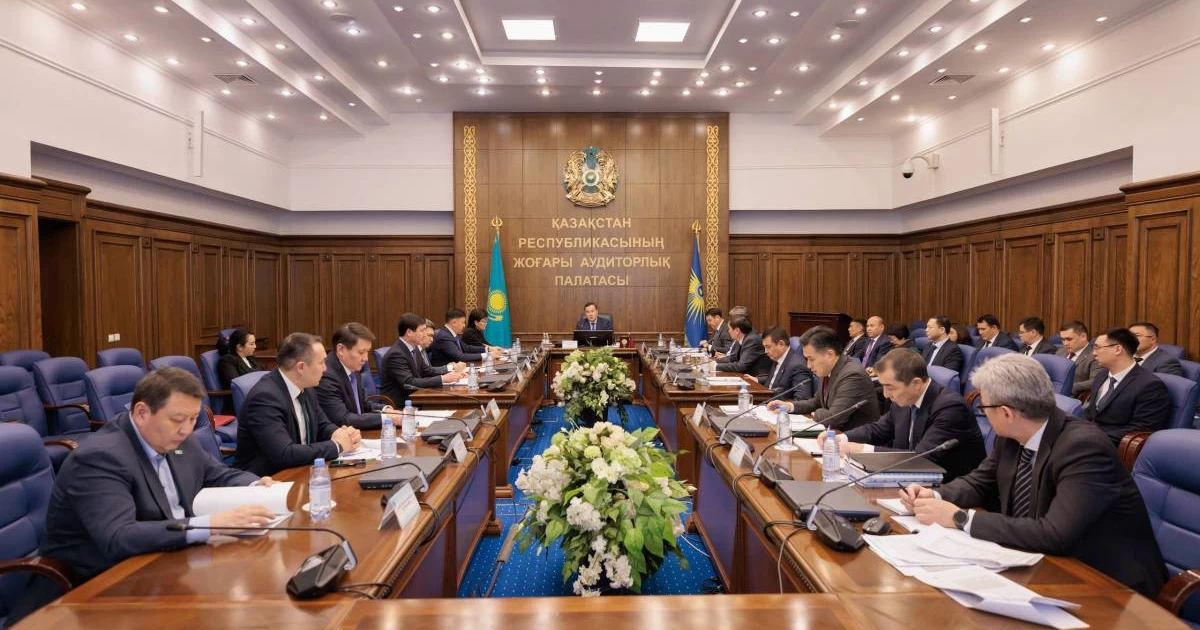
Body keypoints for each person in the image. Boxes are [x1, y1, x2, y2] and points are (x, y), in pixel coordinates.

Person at [900, 353, 1167, 598]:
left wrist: (959, 518)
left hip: (1107, 584)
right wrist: (934, 495)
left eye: (984, 409)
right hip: (1037, 561)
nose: (984, 415)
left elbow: (1055, 534)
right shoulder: (1012, 435)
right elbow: (979, 482)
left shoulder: (1084, 448)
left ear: (1006, 413)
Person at [41, 368, 277, 583]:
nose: (187, 429)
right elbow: (119, 537)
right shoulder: (100, 457)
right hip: (101, 582)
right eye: (178, 420)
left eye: (193, 419)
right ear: (142, 413)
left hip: (170, 560)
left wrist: (257, 485)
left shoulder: (180, 438)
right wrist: (210, 524)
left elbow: (216, 473)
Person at [822, 349, 984, 481]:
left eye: (890, 387)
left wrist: (861, 449)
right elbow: (879, 429)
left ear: (916, 383)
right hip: (909, 482)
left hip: (947, 491)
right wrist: (842, 438)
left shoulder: (951, 408)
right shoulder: (905, 399)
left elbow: (920, 459)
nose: (885, 395)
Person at [234, 333, 361, 476]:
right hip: (269, 479)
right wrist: (337, 446)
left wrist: (339, 433)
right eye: (321, 363)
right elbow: (284, 454)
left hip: (302, 469)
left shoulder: (306, 387)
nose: (325, 368)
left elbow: (322, 425)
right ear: (301, 367)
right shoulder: (265, 398)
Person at [767, 327, 879, 431]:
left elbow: (833, 418)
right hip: (833, 435)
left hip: (853, 440)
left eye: (811, 359)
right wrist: (789, 406)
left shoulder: (852, 375)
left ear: (829, 355)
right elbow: (816, 402)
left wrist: (816, 413)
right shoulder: (828, 368)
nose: (808, 366)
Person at [1083, 328, 1171, 445]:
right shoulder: (1101, 376)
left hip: (1111, 445)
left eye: (1097, 347)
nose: (1093, 353)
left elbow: (1142, 428)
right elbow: (1091, 414)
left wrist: (1092, 440)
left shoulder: (1150, 386)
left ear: (1117, 349)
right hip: (1089, 436)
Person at [316, 322, 400, 431]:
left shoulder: (352, 367)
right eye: (361, 352)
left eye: (367, 352)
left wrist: (385, 410)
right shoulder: (326, 376)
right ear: (341, 349)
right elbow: (343, 419)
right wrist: (386, 418)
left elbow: (363, 404)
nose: (366, 359)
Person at [380, 313, 464, 405]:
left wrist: (451, 373)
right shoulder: (396, 354)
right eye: (422, 331)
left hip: (416, 397)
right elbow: (409, 382)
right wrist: (442, 379)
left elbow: (426, 371)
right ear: (409, 332)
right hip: (400, 404)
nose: (424, 335)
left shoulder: (414, 348)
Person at [751, 326, 814, 400]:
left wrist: (782, 405)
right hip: (766, 399)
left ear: (781, 344)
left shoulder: (798, 366)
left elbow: (801, 399)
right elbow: (777, 379)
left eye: (768, 347)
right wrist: (757, 380)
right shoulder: (778, 357)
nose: (765, 351)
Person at [431, 308, 501, 367]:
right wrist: (487, 355)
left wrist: (487, 349)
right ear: (454, 323)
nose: (464, 325)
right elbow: (461, 356)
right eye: (462, 322)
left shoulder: (452, 334)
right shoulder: (444, 336)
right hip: (445, 373)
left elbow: (467, 348)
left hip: (457, 369)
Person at [1056, 320, 1097, 397]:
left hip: (1074, 397)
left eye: (1069, 339)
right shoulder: (1060, 352)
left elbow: (1095, 381)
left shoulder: (1094, 356)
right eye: (1063, 339)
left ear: (1083, 337)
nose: (1065, 343)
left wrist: (1068, 387)